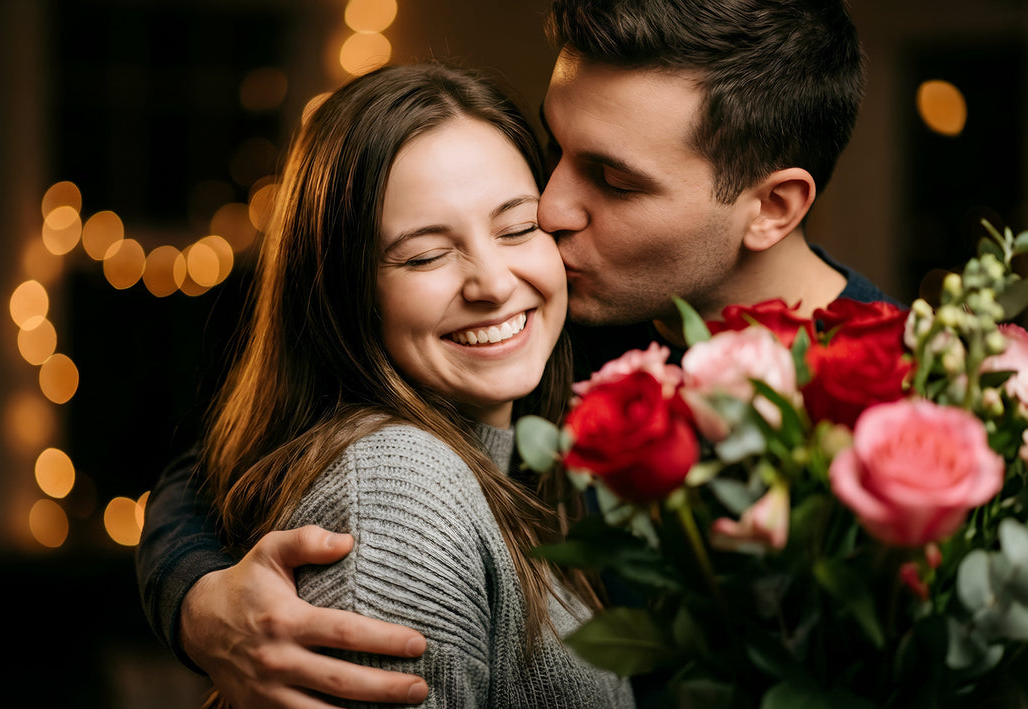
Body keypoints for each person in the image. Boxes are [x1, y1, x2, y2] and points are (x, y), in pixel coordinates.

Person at [136, 1, 894, 706]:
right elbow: (242, 453)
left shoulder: (927, 418)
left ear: (771, 206)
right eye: (555, 146)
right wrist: (199, 600)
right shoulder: (543, 301)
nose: (551, 208)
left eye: (612, 178)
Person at [184, 61, 634, 709]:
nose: (493, 282)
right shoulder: (403, 488)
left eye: (516, 228)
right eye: (425, 254)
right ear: (348, 293)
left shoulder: (521, 458)